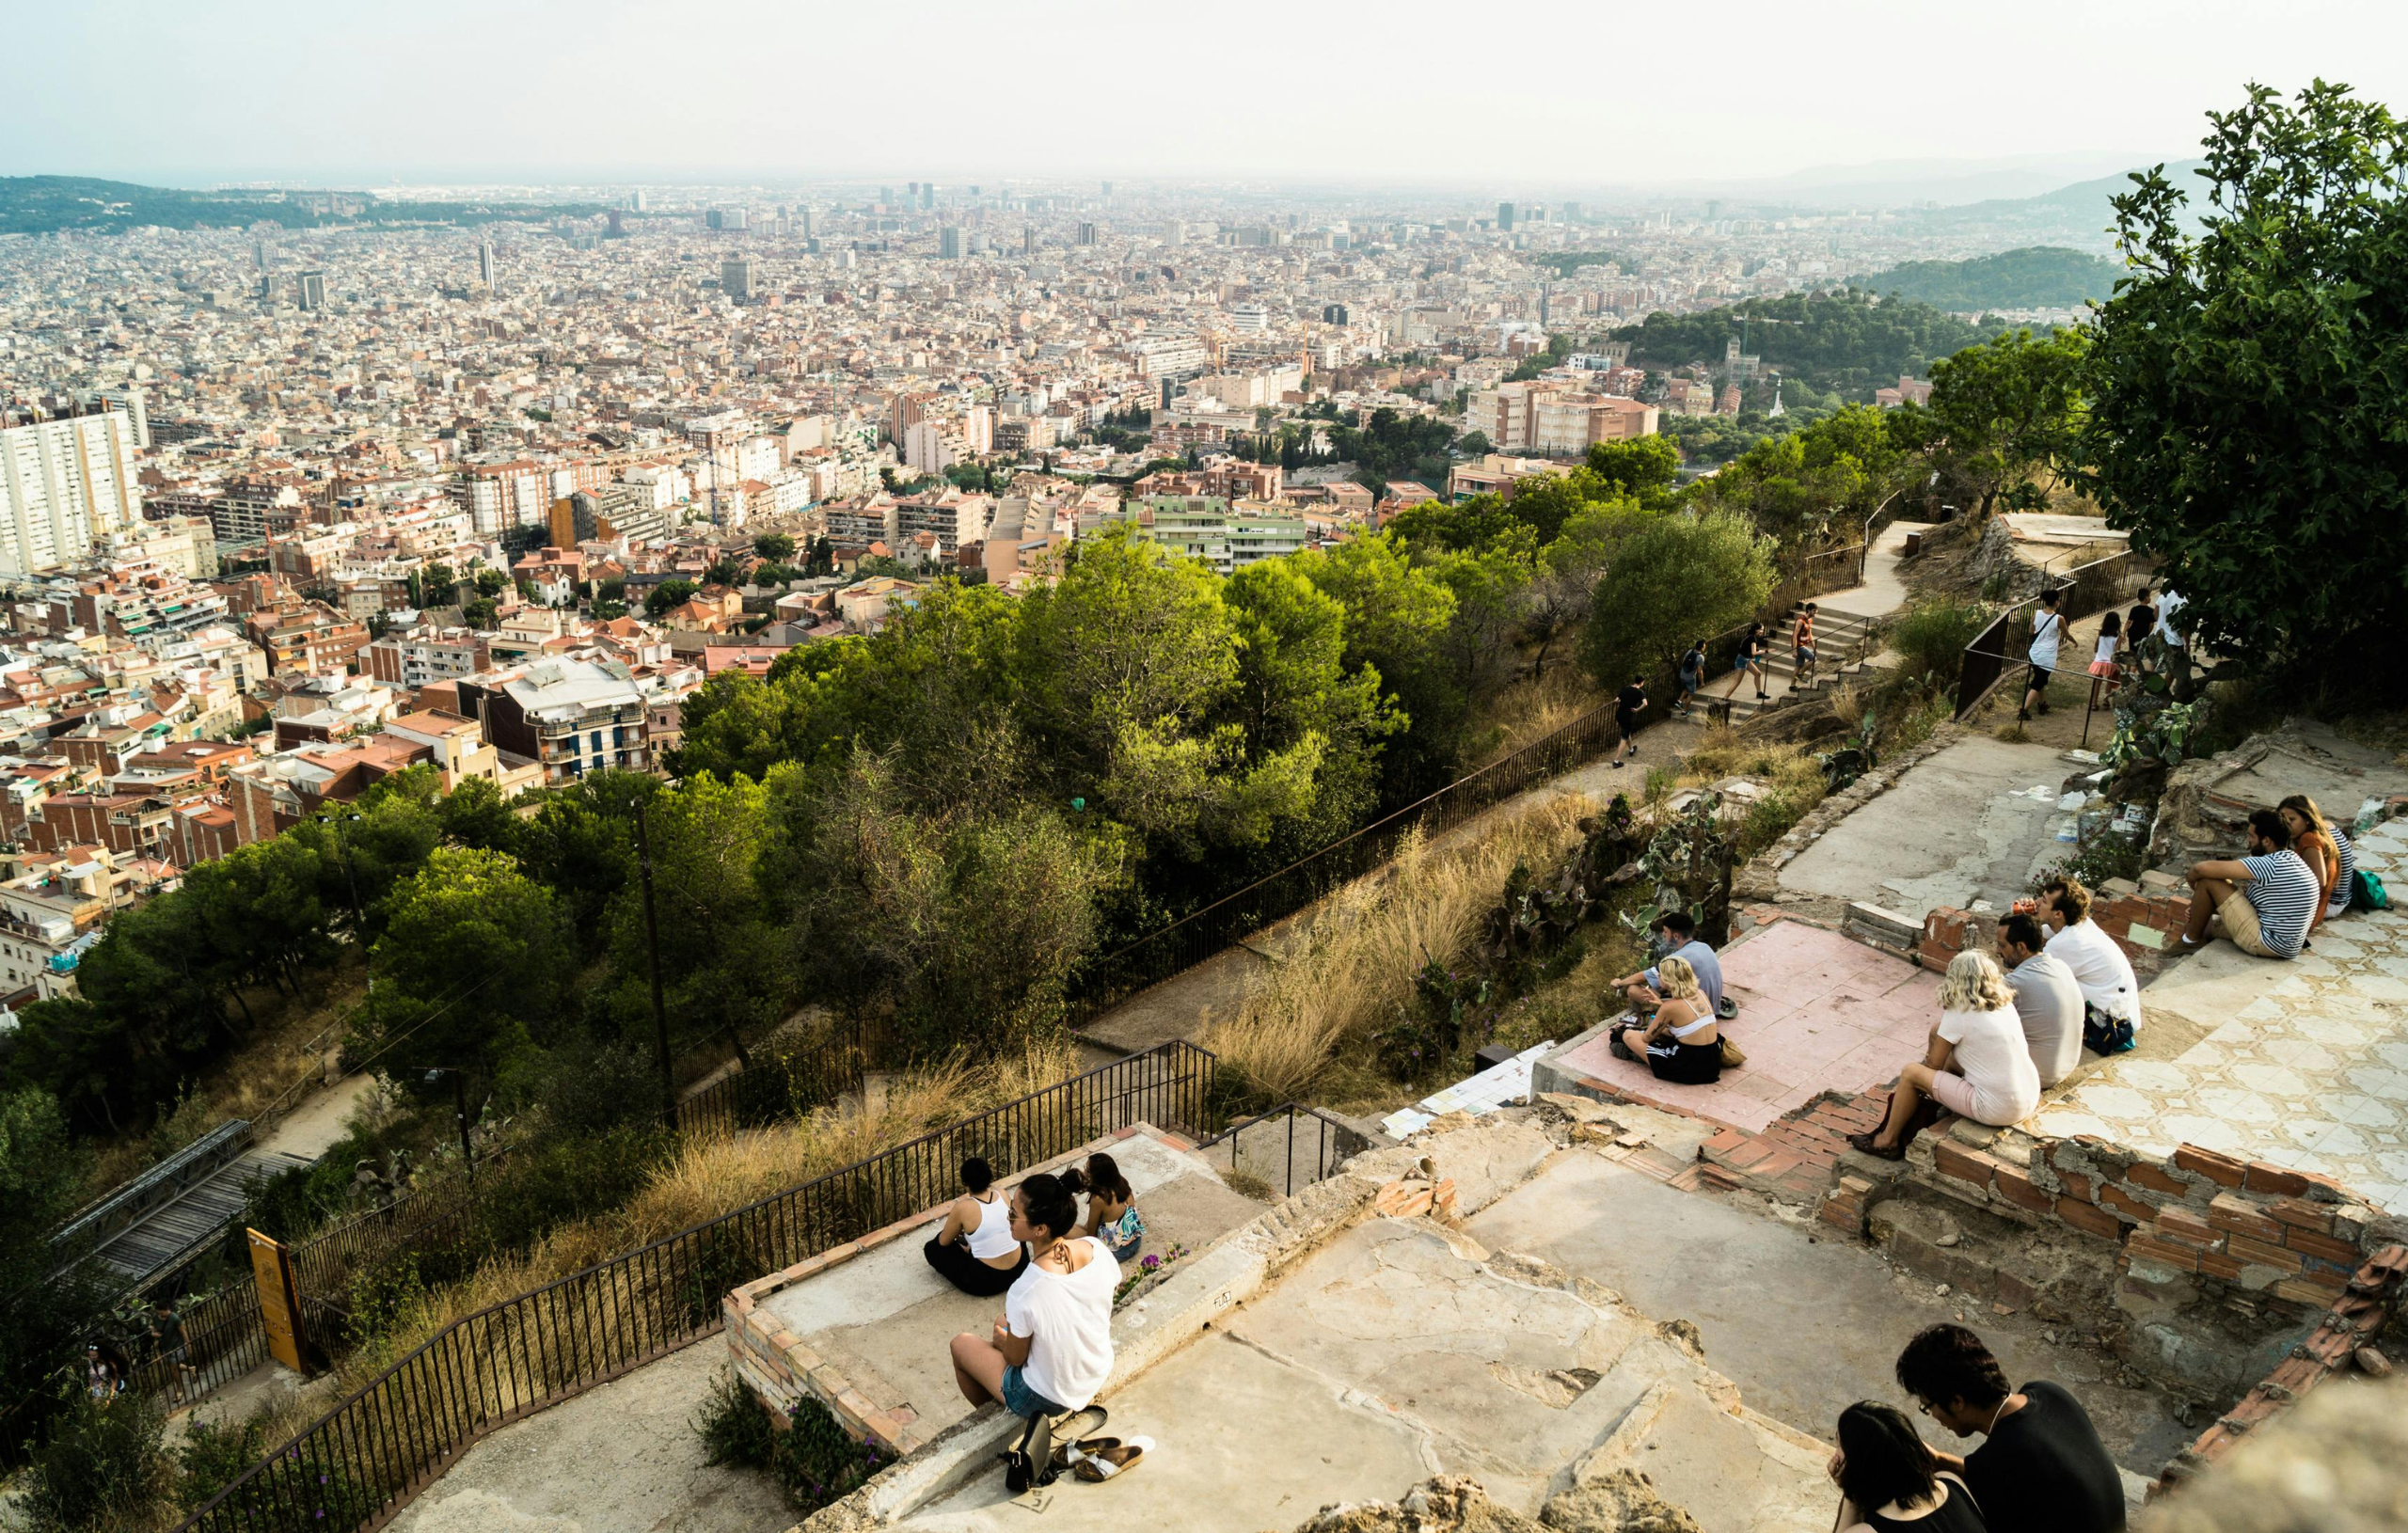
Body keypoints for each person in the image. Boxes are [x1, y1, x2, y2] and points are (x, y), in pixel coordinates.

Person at [1893, 1324, 2126, 1533]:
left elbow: (1997, 1470)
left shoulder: (1998, 1460)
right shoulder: (2047, 1393)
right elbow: (2003, 1468)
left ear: (1957, 1402)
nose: (1934, 1416)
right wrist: (1940, 1460)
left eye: (1928, 1406)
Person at [948, 1174, 1117, 1428]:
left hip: (1050, 1396)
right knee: (1003, 1320)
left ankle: (995, 1424)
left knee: (961, 1345)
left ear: (1039, 1229)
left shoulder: (1026, 1288)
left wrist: (1004, 1342)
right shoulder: (1095, 1248)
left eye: (1013, 1214)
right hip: (1095, 1370)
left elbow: (1015, 1358)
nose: (1008, 1218)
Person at [1848, 952, 2041, 1161]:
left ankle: (1888, 1141)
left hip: (1998, 1108)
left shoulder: (1960, 1010)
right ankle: (1940, 1101)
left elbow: (1933, 1064)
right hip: (2029, 1096)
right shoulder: (2004, 1004)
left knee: (1911, 1073)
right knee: (1941, 1036)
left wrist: (1923, 1080)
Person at [1828, 1400, 1989, 1533]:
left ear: (1860, 1463)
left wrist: (1852, 1491)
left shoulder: (1870, 1531)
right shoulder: (1951, 1482)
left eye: (1840, 1444)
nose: (1835, 1454)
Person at [2178, 809, 2318, 961]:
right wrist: (2200, 906)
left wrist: (2193, 884)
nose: (2248, 840)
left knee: (2209, 880)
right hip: (2287, 945)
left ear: (2266, 841)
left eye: (2251, 836)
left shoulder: (2269, 864)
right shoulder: (2292, 860)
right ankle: (2194, 943)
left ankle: (2188, 942)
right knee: (2204, 920)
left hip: (2269, 943)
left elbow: (2200, 869)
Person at [2033, 878, 2142, 1056]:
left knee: (2046, 987)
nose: (2037, 902)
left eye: (2044, 901)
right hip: (2122, 1008)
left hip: (2112, 1024)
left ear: (2058, 914)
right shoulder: (2081, 925)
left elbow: (2038, 978)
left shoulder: (2064, 943)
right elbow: (2045, 931)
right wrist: (2028, 917)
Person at [1995, 914, 2083, 1088]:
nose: (1998, 951)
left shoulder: (2015, 983)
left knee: (1953, 1045)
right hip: (2066, 1067)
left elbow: (1972, 1014)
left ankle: (1932, 1101)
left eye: (2002, 945)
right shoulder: (2060, 966)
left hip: (2038, 1076)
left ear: (2021, 947)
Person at [925, 1156, 1029, 1297]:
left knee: (933, 1248)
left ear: (965, 1183)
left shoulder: (963, 1207)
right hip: (1020, 1269)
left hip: (986, 1282)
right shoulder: (1002, 1194)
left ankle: (969, 1246)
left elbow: (943, 1242)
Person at [1609, 955, 1720, 1084]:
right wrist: (1660, 1005)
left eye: (1661, 975)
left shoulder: (1669, 1007)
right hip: (1713, 1063)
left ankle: (1641, 1056)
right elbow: (1684, 1017)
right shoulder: (1701, 993)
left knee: (1629, 1035)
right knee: (1669, 1033)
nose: (1658, 977)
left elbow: (1646, 1038)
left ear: (1668, 980)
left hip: (1689, 1069)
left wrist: (1661, 1014)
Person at [1609, 910, 1725, 1019]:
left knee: (1633, 990)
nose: (1663, 935)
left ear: (1675, 936)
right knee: (1661, 986)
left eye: (1665, 932)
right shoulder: (1704, 946)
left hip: (1696, 1013)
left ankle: (1653, 1014)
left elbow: (1644, 976)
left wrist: (1619, 983)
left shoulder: (1675, 959)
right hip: (1712, 1005)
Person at [2278, 794, 2355, 936]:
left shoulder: (2311, 839)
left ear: (2307, 819)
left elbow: (2317, 883)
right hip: (2344, 896)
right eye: (2283, 820)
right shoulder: (2326, 826)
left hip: (2332, 903)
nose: (2286, 824)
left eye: (2292, 819)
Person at [1066, 1152, 1144, 1266]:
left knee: (1063, 1230)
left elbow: (1091, 1236)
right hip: (1135, 1241)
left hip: (1119, 1252)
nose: (1084, 1173)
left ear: (1098, 1176)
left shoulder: (1099, 1199)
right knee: (1072, 1227)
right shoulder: (1121, 1183)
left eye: (1087, 1170)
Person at [2018, 590, 2063, 724]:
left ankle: (2042, 704)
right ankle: (2024, 711)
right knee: (2038, 683)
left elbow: (2031, 631)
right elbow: (2066, 633)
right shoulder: (2059, 619)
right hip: (2047, 655)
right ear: (2056, 602)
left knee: (2040, 679)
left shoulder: (2036, 613)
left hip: (2034, 652)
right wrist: (2074, 642)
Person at [149, 1298, 195, 1404]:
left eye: (161, 1311)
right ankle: (191, 1369)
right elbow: (155, 1329)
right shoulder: (156, 1318)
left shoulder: (174, 1318)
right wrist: (153, 1334)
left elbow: (183, 1332)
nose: (160, 1314)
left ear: (166, 1309)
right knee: (173, 1367)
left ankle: (179, 1390)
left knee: (173, 1369)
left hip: (177, 1346)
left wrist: (188, 1345)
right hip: (166, 1347)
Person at [1722, 621, 1769, 703]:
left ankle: (1759, 693)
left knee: (1757, 674)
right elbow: (1754, 652)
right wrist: (1766, 651)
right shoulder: (1752, 638)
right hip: (1742, 660)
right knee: (1737, 681)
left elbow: (1750, 649)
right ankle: (1725, 698)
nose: (1762, 632)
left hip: (1745, 659)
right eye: (1761, 630)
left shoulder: (1750, 637)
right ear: (1756, 630)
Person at [2085, 610, 2123, 702]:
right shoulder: (2118, 636)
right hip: (2110, 662)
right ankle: (2106, 700)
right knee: (2109, 682)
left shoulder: (2101, 634)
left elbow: (2096, 647)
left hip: (2099, 661)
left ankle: (2094, 702)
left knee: (2097, 683)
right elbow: (2117, 652)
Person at [1610, 673, 1645, 768]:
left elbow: (1616, 700)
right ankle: (1616, 761)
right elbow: (1645, 704)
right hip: (1628, 716)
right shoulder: (1640, 692)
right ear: (1642, 682)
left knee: (1626, 732)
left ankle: (1631, 750)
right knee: (1624, 738)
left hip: (1619, 714)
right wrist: (1637, 709)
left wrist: (1623, 702)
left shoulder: (1626, 688)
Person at [2125, 587, 2157, 669]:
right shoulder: (2151, 611)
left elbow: (2128, 622)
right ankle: (2133, 671)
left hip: (2132, 633)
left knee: (2131, 651)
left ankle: (2127, 670)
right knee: (2139, 654)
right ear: (2146, 598)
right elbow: (2151, 625)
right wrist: (2147, 633)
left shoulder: (2134, 609)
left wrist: (2124, 632)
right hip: (2142, 634)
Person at [1675, 639, 1705, 716]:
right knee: (1691, 693)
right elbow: (1699, 671)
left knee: (1687, 688)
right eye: (1704, 645)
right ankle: (1684, 712)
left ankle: (1679, 701)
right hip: (1690, 677)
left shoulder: (1689, 652)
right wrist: (1701, 681)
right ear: (1702, 647)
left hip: (1682, 674)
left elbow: (1683, 662)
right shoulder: (1700, 657)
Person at [1794, 603, 1819, 688]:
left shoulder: (1809, 620)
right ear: (1808, 610)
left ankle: (1792, 686)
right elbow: (1794, 635)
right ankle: (1800, 674)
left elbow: (1810, 635)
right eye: (1814, 611)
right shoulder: (1800, 620)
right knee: (1813, 658)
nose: (1816, 612)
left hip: (1804, 644)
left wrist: (1814, 648)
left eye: (1816, 610)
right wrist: (1794, 650)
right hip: (1799, 646)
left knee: (1799, 665)